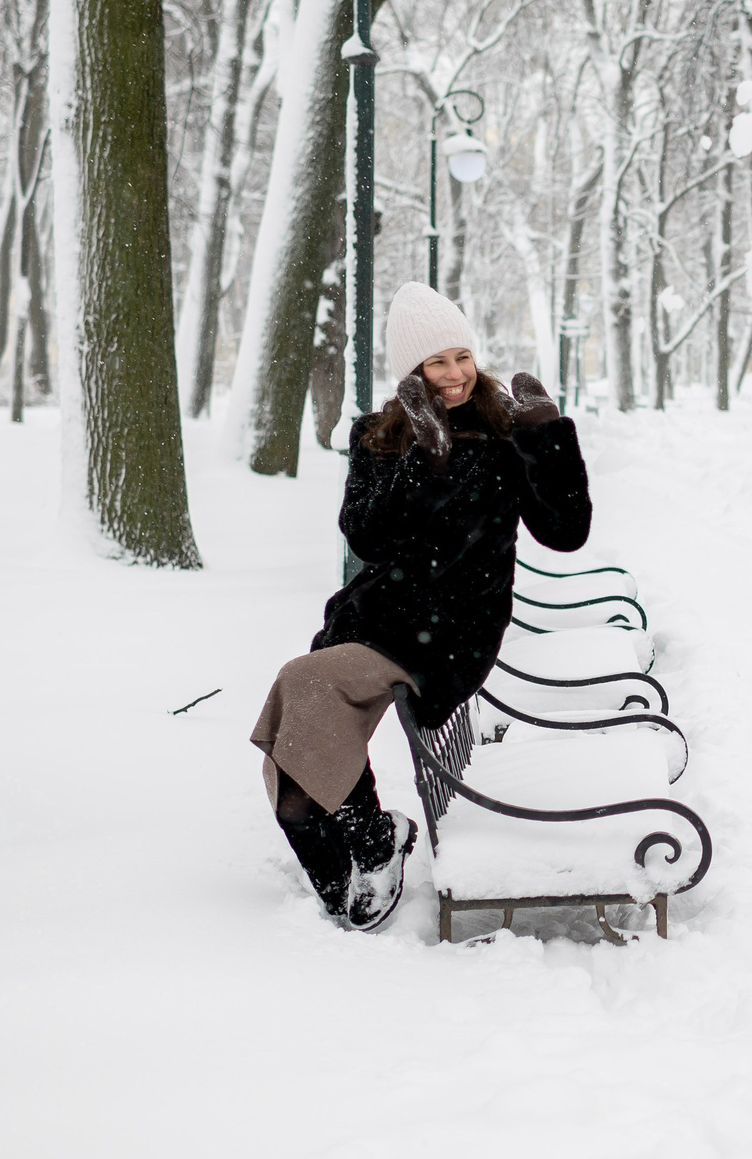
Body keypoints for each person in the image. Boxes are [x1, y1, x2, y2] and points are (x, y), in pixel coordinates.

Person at [249, 282, 593, 930]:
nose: (456, 373)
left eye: (462, 356)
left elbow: (565, 530)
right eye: (438, 362)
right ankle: (373, 844)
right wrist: (422, 459)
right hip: (379, 620)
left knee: (302, 682)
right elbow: (365, 536)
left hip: (454, 633)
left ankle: (377, 846)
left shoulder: (503, 432)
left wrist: (548, 437)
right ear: (412, 370)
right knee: (297, 764)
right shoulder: (378, 435)